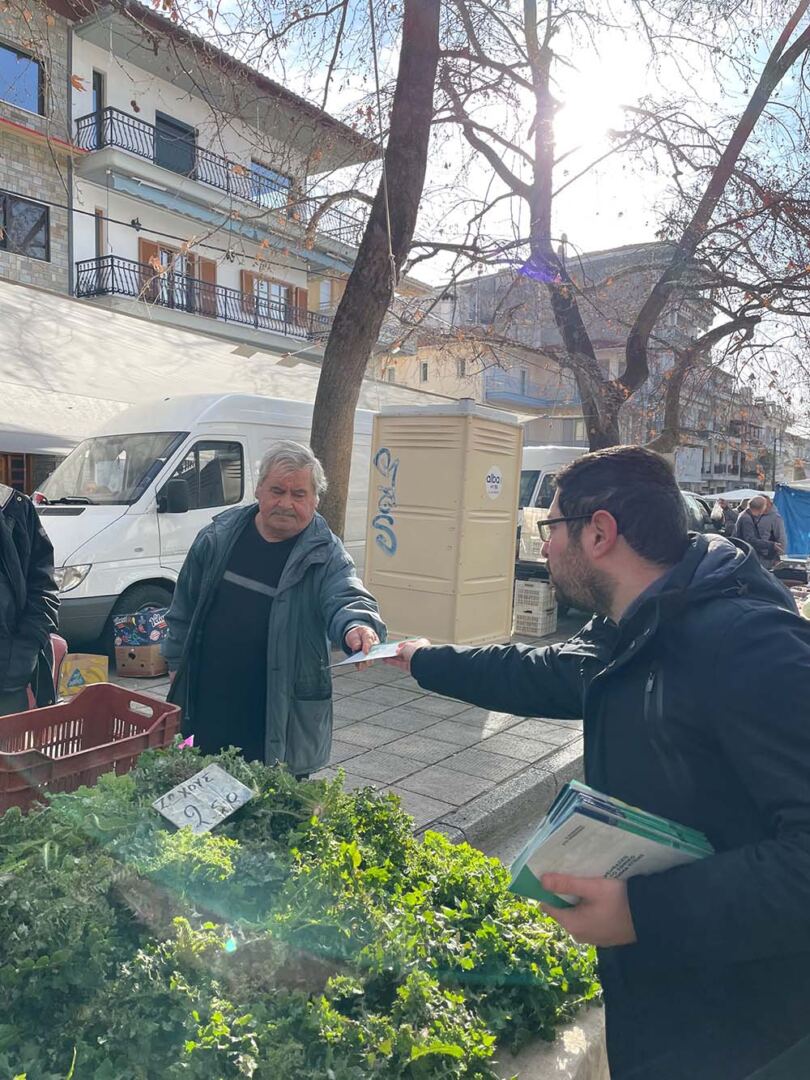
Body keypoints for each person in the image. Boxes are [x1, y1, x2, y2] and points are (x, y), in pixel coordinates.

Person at [386, 446, 810, 1080]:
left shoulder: (747, 643)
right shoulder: (634, 626)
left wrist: (643, 913)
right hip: (664, 1002)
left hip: (747, 1031)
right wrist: (422, 659)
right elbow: (536, 674)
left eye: (550, 529)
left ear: (599, 532)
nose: (546, 547)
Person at [163, 441, 385, 776]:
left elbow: (346, 594)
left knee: (270, 806)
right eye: (277, 490)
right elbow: (184, 606)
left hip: (279, 709)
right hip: (210, 699)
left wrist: (358, 625)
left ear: (315, 500)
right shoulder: (218, 537)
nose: (285, 503)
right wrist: (176, 661)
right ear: (258, 490)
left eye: (298, 494)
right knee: (201, 791)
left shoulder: (326, 554)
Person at [0, 482, 59, 716]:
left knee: (9, 749)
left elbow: (43, 586)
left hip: (7, 677)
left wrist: (24, 652)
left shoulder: (14, 507)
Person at [735, 494, 783, 568]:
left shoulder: (745, 515)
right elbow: (750, 540)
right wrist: (771, 545)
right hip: (746, 556)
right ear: (762, 508)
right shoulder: (747, 519)